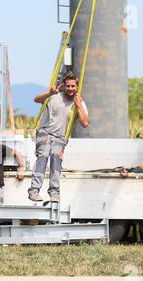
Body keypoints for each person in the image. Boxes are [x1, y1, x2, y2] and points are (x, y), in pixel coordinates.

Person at [28, 72, 89, 203]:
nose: (70, 89)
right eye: (68, 86)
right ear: (64, 87)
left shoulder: (79, 103)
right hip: (45, 132)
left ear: (77, 87)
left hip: (60, 137)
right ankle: (34, 189)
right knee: (43, 154)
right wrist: (49, 93)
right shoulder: (55, 97)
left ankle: (54, 191)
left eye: (73, 86)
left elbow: (85, 123)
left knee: (56, 155)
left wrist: (78, 105)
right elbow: (36, 99)